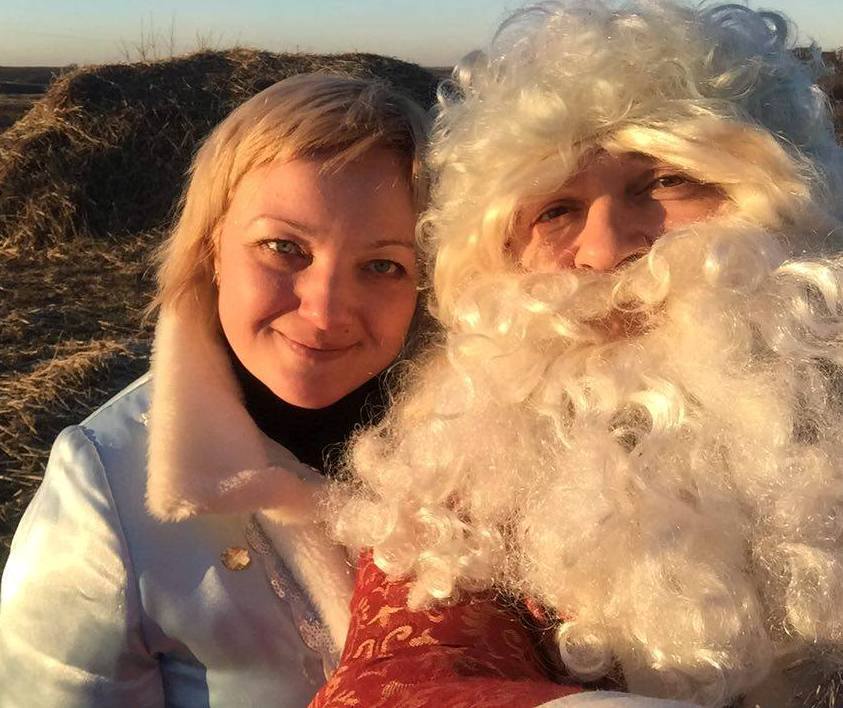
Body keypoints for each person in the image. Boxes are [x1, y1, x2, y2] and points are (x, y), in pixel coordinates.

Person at [315, 2, 843, 707]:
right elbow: (404, 680)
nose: (607, 250)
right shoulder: (452, 482)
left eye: (664, 181)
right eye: (555, 210)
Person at [0, 73, 430, 707]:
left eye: (383, 265)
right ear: (211, 249)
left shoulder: (487, 455)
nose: (326, 311)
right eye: (284, 248)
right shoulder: (106, 487)